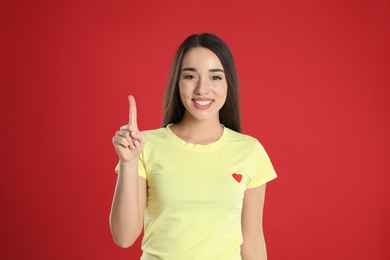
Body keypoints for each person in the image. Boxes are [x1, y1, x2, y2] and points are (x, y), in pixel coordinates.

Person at [110, 33, 277, 260]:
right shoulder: (143, 146)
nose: (202, 89)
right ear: (177, 83)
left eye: (215, 77)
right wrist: (128, 164)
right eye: (190, 76)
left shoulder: (250, 151)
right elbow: (124, 237)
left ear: (229, 83)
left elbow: (253, 240)